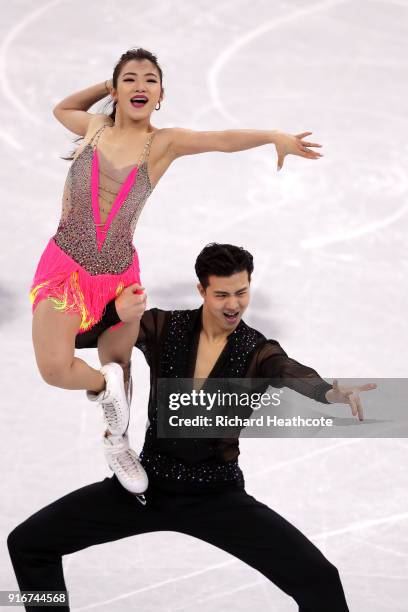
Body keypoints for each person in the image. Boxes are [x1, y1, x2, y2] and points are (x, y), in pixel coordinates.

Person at [9, 243, 376, 611]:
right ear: (202, 290)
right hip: (144, 488)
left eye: (241, 292)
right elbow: (74, 338)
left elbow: (290, 372)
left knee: (321, 580)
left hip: (216, 497)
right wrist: (114, 313)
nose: (233, 304)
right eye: (221, 294)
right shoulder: (165, 327)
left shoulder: (256, 351)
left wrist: (329, 393)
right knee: (29, 544)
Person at [28, 46, 324, 494]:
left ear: (161, 94)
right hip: (64, 267)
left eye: (150, 80)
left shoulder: (163, 144)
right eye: (129, 79)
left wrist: (272, 136)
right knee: (54, 368)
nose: (140, 86)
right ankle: (102, 387)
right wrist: (103, 87)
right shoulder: (93, 126)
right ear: (115, 90)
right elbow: (62, 108)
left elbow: (222, 139)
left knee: (121, 362)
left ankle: (119, 443)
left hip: (118, 276)